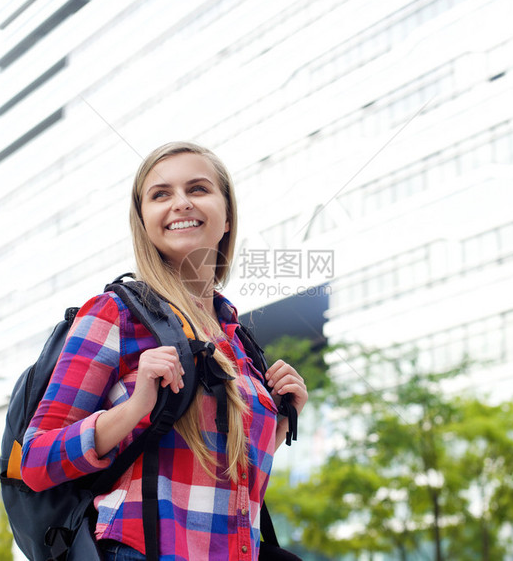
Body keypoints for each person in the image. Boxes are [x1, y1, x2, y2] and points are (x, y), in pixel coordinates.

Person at [20, 141, 309, 561]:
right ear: (144, 221)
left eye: (198, 189)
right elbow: (35, 461)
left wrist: (279, 423)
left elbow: (229, 490)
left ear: (227, 216)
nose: (180, 203)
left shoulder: (240, 341)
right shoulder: (115, 314)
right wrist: (135, 407)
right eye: (161, 195)